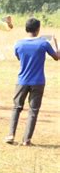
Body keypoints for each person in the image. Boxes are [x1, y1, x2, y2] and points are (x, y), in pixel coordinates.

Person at [4, 18, 59, 146]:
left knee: (16, 108)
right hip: (38, 81)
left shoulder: (18, 44)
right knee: (33, 110)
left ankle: (10, 135)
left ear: (26, 29)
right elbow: (57, 57)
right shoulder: (43, 43)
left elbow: (19, 57)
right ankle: (26, 139)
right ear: (38, 29)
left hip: (22, 81)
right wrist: (55, 43)